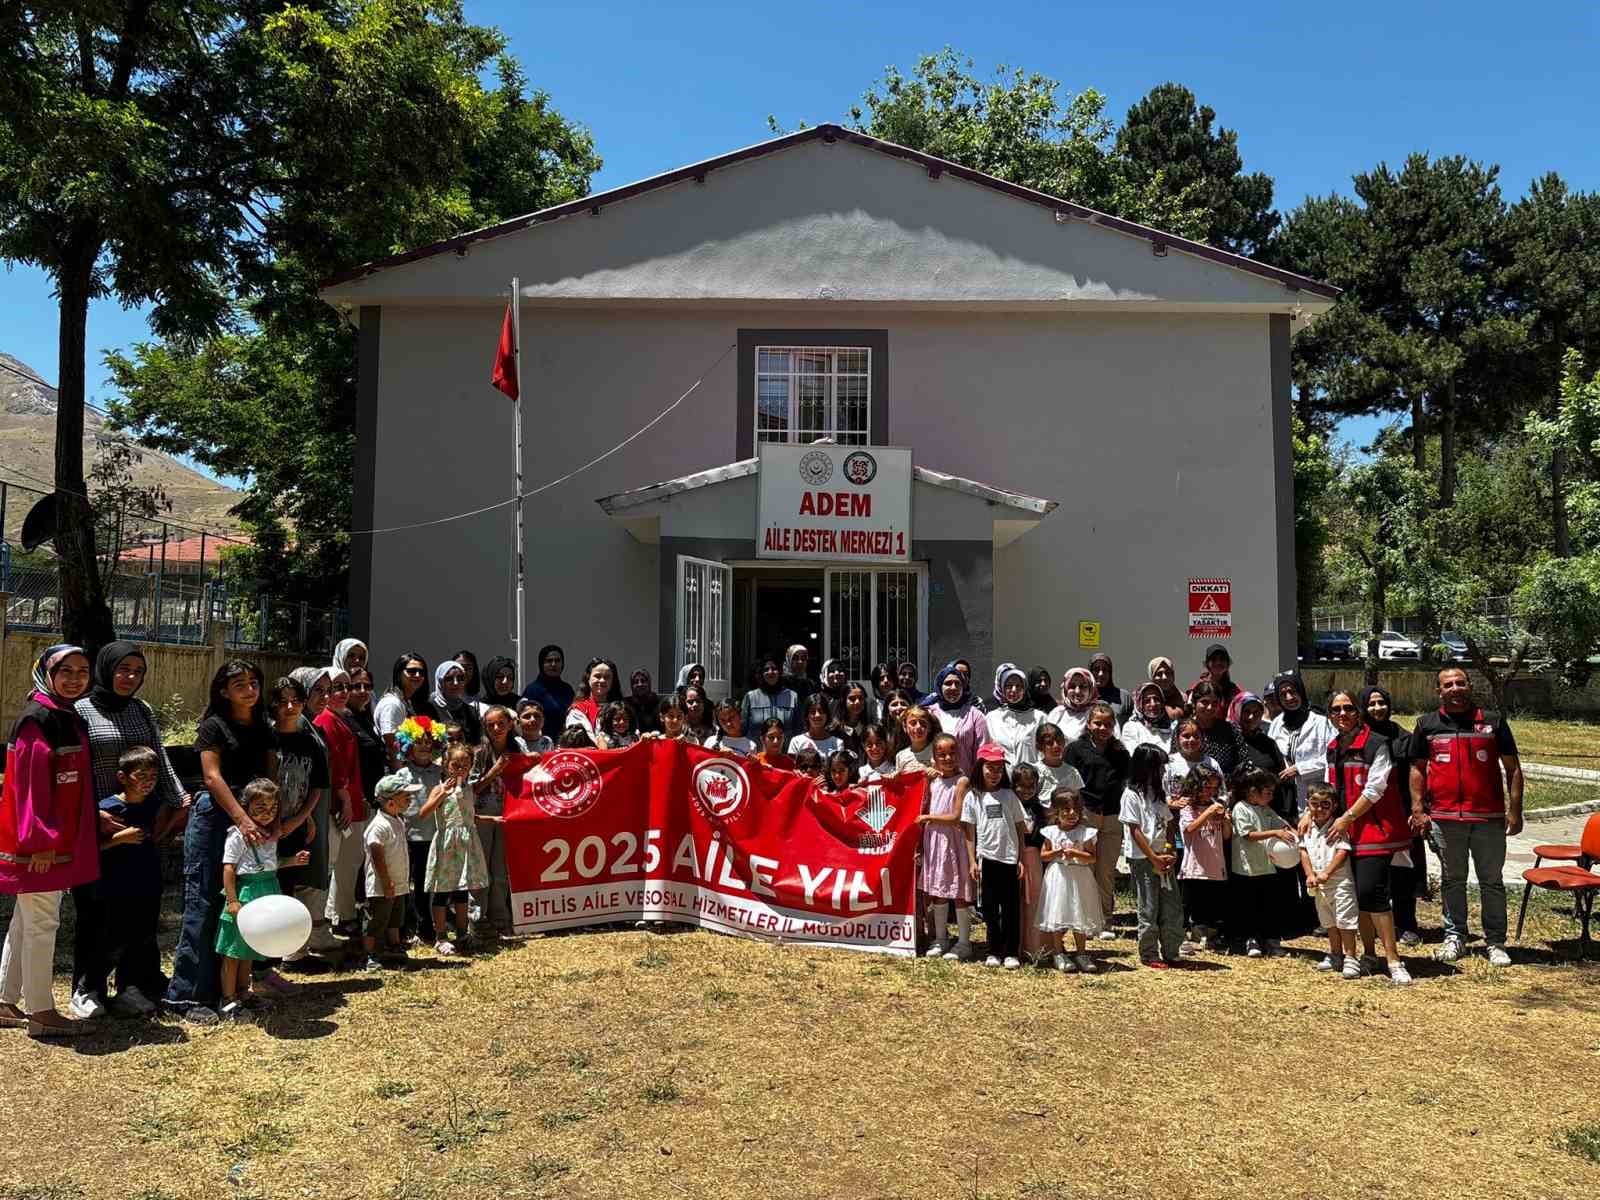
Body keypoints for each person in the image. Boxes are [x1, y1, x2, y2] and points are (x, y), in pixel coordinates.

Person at [70, 640, 189, 1021]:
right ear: (106, 669)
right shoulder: (81, 712)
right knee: (97, 909)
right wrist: (91, 813)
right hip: (99, 825)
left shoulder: (141, 710)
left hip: (141, 821)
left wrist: (178, 800)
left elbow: (159, 756)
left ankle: (132, 985)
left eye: (137, 671)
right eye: (123, 669)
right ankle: (87, 988)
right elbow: (74, 771)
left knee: (140, 908)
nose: (130, 677)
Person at [166, 659, 278, 1025]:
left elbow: (269, 777)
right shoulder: (213, 726)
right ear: (224, 691)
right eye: (240, 683)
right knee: (203, 902)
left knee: (242, 905)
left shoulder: (262, 727)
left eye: (254, 682)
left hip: (251, 824)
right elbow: (212, 778)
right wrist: (243, 819)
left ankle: (232, 991)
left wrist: (271, 820)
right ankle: (186, 996)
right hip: (215, 819)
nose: (249, 689)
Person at [1, 645, 97, 1037]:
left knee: (27, 920)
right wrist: (39, 840)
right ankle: (41, 1011)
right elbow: (29, 787)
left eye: (82, 671)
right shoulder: (39, 719)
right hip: (41, 844)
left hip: (53, 840)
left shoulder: (63, 714)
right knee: (43, 922)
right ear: (46, 672)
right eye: (66, 671)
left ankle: (5, 1000)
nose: (75, 678)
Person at [1408, 667, 1522, 967]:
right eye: (1448, 685)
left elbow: (1513, 768)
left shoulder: (1493, 722)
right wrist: (1418, 809)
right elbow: (1417, 769)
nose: (1455, 688)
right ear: (1439, 691)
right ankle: (1454, 937)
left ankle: (1495, 942)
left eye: (1460, 683)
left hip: (1488, 818)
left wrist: (1515, 810)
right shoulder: (1427, 725)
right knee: (1452, 880)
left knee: (1491, 881)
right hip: (1445, 818)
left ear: (1469, 685)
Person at [1326, 689, 1413, 985]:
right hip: (1345, 830)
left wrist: (1345, 818)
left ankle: (1394, 959)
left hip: (1374, 829)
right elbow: (1330, 789)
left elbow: (1374, 790)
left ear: (1358, 711)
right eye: (1336, 710)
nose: (1342, 714)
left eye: (1348, 708)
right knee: (1356, 895)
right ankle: (1369, 954)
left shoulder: (1378, 744)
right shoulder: (1334, 746)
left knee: (1372, 892)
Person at [215, 779, 309, 1021]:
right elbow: (229, 868)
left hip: (267, 891)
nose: (267, 813)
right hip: (246, 895)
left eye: (272, 808)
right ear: (246, 807)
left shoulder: (270, 835)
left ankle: (245, 993)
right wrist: (233, 901)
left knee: (250, 947)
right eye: (260, 808)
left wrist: (292, 861)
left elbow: (269, 865)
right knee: (233, 950)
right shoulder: (237, 835)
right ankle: (228, 999)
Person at [90, 746, 166, 1015]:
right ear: (122, 777)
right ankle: (91, 989)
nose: (148, 780)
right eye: (141, 774)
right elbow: (89, 848)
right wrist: (118, 839)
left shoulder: (153, 803)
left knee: (142, 937)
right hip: (115, 886)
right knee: (114, 938)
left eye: (153, 775)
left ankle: (130, 989)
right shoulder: (107, 809)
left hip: (147, 882)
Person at [268, 674, 333, 974]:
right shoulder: (267, 739)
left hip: (296, 824)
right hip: (267, 826)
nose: (290, 707)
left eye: (296, 701)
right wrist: (275, 823)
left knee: (292, 888)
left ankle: (292, 955)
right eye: (283, 702)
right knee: (269, 887)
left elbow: (317, 785)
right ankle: (266, 956)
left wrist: (301, 819)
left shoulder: (310, 741)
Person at [1358, 686, 1422, 948]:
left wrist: (1416, 810)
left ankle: (1407, 924)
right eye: (1371, 704)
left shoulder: (1403, 738)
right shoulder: (1359, 737)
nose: (1377, 708)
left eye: (1381, 702)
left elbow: (1415, 775)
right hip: (1367, 815)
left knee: (1404, 872)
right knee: (1373, 875)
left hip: (1399, 816)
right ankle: (1373, 924)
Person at [1064, 703, 1131, 937]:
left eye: (1108, 724)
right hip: (1087, 813)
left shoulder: (1120, 752)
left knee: (1106, 870)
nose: (1103, 728)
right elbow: (1069, 781)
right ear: (1089, 724)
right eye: (1098, 723)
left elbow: (1127, 782)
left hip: (1113, 815)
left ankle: (1105, 920)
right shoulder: (1075, 749)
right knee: (1087, 867)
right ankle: (1086, 918)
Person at [419, 742, 490, 955]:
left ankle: (462, 934)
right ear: (446, 765)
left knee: (462, 891)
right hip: (446, 845)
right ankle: (440, 936)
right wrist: (443, 793)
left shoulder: (469, 789)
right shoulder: (439, 788)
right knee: (442, 892)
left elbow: (467, 815)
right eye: (455, 765)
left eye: (465, 764)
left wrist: (490, 819)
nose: (460, 769)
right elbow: (424, 812)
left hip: (467, 844)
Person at [961, 743, 1027, 969]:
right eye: (990, 767)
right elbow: (969, 832)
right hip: (985, 860)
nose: (995, 773)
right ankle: (993, 951)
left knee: (1011, 910)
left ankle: (1011, 952)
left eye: (999, 768)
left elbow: (1020, 827)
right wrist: (972, 861)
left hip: (1009, 859)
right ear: (980, 768)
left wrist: (1021, 859)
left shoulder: (1009, 796)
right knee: (989, 910)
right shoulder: (973, 796)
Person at [315, 668, 369, 946]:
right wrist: (345, 801)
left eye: (346, 687)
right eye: (337, 687)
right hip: (340, 806)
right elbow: (334, 765)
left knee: (350, 862)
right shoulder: (326, 720)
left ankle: (340, 913)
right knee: (337, 862)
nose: (343, 693)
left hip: (352, 801)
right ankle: (335, 917)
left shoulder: (342, 718)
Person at [1123, 744, 1182, 968]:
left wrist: (1169, 849)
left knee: (1171, 905)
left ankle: (1172, 950)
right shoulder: (1131, 795)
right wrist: (1153, 857)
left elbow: (1169, 823)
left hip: (1163, 857)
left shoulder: (1158, 794)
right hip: (1143, 858)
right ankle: (1149, 953)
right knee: (1148, 907)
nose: (1161, 772)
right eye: (1158, 768)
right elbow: (1135, 830)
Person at [917, 733, 975, 959]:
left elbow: (957, 817)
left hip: (955, 842)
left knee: (959, 892)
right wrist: (925, 780)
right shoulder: (934, 781)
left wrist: (927, 818)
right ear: (934, 758)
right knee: (939, 891)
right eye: (942, 755)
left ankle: (963, 942)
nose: (948, 758)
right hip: (935, 842)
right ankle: (940, 938)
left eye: (952, 753)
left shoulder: (962, 781)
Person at [1229, 768, 1295, 959]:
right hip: (1246, 868)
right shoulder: (1240, 808)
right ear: (1252, 791)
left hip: (1267, 867)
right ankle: (1250, 940)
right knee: (1248, 906)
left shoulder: (1267, 809)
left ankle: (1271, 940)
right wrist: (1275, 833)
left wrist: (1291, 831)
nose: (1271, 796)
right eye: (1267, 792)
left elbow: (1281, 824)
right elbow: (1248, 835)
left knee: (1268, 905)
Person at [1036, 787, 1102, 973]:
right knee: (1058, 913)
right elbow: (1044, 855)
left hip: (1080, 876)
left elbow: (1092, 857)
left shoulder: (1086, 833)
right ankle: (1059, 953)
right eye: (1066, 810)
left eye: (1075, 810)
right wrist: (1055, 852)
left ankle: (1081, 953)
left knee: (1079, 913)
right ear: (1056, 812)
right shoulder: (1051, 832)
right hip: (1059, 877)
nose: (1072, 814)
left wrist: (1076, 853)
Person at [394, 715, 448, 941]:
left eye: (429, 741)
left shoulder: (440, 773)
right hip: (412, 837)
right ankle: (416, 923)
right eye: (419, 741)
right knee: (413, 882)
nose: (425, 746)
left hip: (436, 835)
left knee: (432, 882)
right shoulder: (402, 775)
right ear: (408, 745)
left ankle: (433, 923)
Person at [1300, 782, 1361, 979]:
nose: (1319, 809)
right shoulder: (1307, 827)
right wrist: (1310, 874)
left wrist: (1327, 872)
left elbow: (1342, 851)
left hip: (1339, 882)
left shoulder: (1337, 826)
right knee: (1329, 922)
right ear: (1308, 805)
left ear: (1334, 806)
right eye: (1314, 804)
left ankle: (1351, 956)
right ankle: (1335, 954)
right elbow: (1303, 852)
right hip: (1319, 885)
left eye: (1325, 804)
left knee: (1345, 920)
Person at [471, 706, 518, 937]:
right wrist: (495, 770)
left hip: (510, 807)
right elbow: (471, 789)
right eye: (491, 725)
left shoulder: (517, 749)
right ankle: (478, 918)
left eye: (501, 723)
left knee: (501, 867)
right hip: (483, 809)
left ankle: (500, 916)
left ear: (510, 724)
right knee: (481, 866)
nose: (497, 729)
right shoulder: (479, 752)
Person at [363, 774, 418, 968]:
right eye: (406, 796)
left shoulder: (397, 820)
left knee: (396, 917)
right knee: (377, 920)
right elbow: (377, 854)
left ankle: (394, 945)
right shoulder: (378, 826)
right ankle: (370, 954)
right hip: (382, 885)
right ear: (391, 802)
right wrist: (386, 882)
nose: (410, 800)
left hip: (399, 883)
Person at [1175, 765, 1230, 952]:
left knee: (1211, 904)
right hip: (1194, 866)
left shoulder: (1217, 806)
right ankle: (1181, 937)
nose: (1211, 792)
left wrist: (1226, 820)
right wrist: (1207, 813)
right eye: (1207, 787)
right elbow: (1189, 829)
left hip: (1215, 865)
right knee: (1189, 903)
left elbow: (1227, 836)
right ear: (1195, 786)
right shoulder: (1188, 807)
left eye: (1214, 788)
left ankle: (1206, 937)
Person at [1268, 672, 1334, 810]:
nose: (1289, 697)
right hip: (1284, 799)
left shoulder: (1321, 723)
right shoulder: (1276, 724)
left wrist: (1301, 768)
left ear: (1301, 691)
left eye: (1292, 691)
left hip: (1315, 796)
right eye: (1283, 694)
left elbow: (1332, 758)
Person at [1012, 762, 1046, 963]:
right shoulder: (1009, 804)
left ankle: (1034, 947)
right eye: (1021, 786)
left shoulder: (1039, 809)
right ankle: (1015, 947)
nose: (1026, 791)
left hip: (1033, 859)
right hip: (1012, 858)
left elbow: (1041, 837)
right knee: (1014, 903)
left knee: (1033, 901)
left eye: (1030, 786)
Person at [927, 662, 986, 778]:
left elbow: (982, 753)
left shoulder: (975, 715)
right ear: (939, 686)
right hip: (936, 784)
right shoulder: (929, 713)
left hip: (966, 784)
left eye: (957, 684)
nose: (953, 687)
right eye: (948, 683)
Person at [375, 652, 432, 769]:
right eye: (411, 671)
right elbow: (392, 747)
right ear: (399, 673)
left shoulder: (406, 702)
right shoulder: (392, 703)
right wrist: (401, 781)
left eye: (421, 672)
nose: (417, 675)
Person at [985, 664, 1043, 768]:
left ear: (1025, 689)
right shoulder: (991, 718)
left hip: (1029, 780)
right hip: (1001, 780)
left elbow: (1044, 753)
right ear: (1002, 688)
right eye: (1009, 686)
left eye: (1019, 686)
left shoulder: (1039, 718)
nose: (1014, 689)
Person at [1188, 682, 1247, 779]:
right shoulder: (1184, 730)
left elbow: (1243, 761)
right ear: (1194, 703)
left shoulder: (1230, 730)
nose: (1210, 707)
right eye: (1205, 702)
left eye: (1215, 703)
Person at [741, 655, 799, 738]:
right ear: (761, 673)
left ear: (780, 672)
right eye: (766, 669)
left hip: (785, 749)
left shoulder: (792, 697)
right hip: (756, 749)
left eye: (774, 669)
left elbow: (799, 729)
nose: (770, 672)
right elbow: (742, 728)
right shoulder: (751, 697)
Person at [520, 645, 574, 733]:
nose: (554, 664)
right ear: (542, 664)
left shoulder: (567, 690)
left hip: (564, 743)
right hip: (539, 743)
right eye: (549, 661)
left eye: (557, 660)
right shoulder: (532, 691)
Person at [565, 658, 621, 741]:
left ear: (613, 681)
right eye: (597, 676)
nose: (602, 680)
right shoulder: (578, 710)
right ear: (588, 679)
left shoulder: (622, 708)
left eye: (607, 677)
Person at [432, 659, 482, 746]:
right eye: (449, 679)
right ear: (440, 682)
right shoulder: (429, 708)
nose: (455, 683)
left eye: (460, 678)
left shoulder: (471, 711)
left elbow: (476, 743)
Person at [1045, 668, 1102, 743]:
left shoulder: (1099, 713)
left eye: (1082, 686)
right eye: (1072, 686)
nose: (1077, 691)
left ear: (1091, 689)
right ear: (1066, 688)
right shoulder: (1057, 713)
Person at [1121, 682, 1174, 756]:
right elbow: (1135, 756)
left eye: (1156, 699)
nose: (1153, 704)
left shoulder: (1170, 726)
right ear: (1139, 704)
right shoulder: (1131, 727)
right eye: (1147, 701)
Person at [1188, 644, 1241, 711]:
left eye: (1222, 659)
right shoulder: (1197, 687)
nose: (1218, 662)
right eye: (1213, 659)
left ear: (1228, 663)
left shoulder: (1235, 690)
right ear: (1207, 664)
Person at [1088, 653, 1133, 724]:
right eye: (1096, 669)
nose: (1100, 674)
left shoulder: (1123, 696)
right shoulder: (1084, 697)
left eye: (1105, 670)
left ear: (1110, 673)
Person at [894, 705, 937, 774]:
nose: (918, 727)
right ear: (905, 727)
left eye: (923, 723)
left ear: (929, 727)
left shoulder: (937, 751)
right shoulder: (901, 756)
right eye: (913, 723)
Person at [1148, 657, 1187, 723]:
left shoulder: (1183, 698)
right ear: (1152, 677)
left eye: (1168, 673)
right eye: (1159, 674)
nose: (1164, 677)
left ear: (1173, 675)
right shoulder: (1145, 700)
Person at [624, 669, 661, 735]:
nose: (640, 684)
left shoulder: (659, 702)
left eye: (643, 681)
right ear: (631, 686)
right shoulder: (626, 703)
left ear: (649, 683)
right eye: (636, 682)